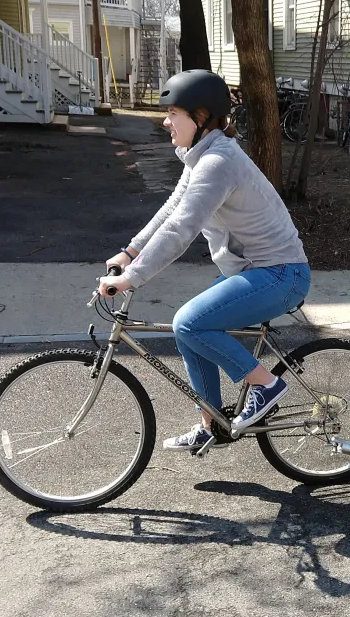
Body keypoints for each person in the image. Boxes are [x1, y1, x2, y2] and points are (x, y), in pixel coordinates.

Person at [99, 70, 311, 454]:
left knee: (190, 322)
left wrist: (131, 278)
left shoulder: (218, 162)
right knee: (188, 329)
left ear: (201, 117)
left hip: (282, 275)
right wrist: (130, 252)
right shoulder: (199, 157)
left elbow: (182, 228)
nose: (165, 121)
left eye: (173, 113)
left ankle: (266, 384)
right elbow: (171, 209)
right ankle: (212, 424)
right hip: (255, 273)